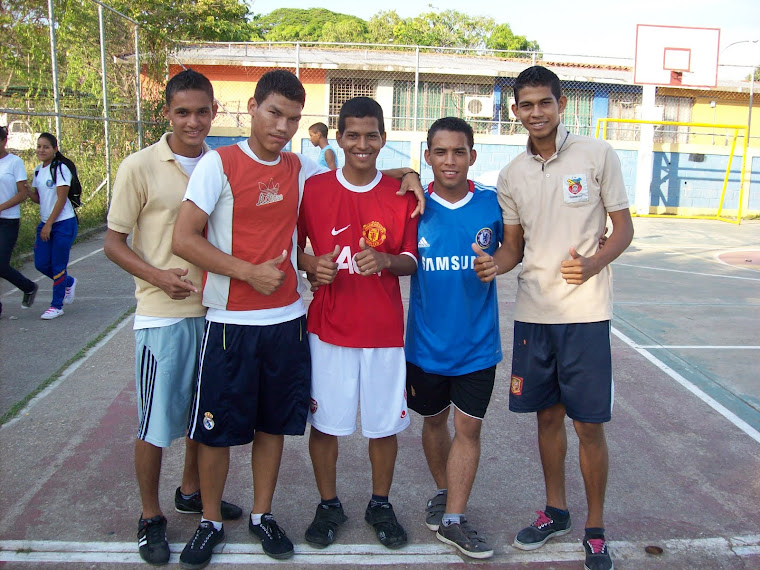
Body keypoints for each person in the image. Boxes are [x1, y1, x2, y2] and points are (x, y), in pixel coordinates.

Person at [172, 69, 424, 569]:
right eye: (273, 114)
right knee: (216, 429)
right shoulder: (217, 165)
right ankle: (210, 522)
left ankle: (263, 515)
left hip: (287, 320)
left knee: (272, 428)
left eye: (291, 118)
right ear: (252, 107)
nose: (281, 126)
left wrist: (408, 175)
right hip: (229, 321)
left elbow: (362, 171)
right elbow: (184, 239)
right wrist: (248, 272)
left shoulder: (300, 169)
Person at [473, 65, 634, 570]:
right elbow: (514, 248)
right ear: (515, 110)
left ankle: (596, 528)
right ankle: (556, 511)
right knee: (547, 418)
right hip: (534, 313)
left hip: (585, 315)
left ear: (561, 104)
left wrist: (593, 263)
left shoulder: (597, 154)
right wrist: (491, 265)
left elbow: (624, 230)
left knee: (588, 424)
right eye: (526, 104)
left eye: (545, 102)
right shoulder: (511, 174)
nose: (536, 112)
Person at [104, 69, 243, 566]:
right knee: (155, 423)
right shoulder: (139, 167)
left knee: (201, 417)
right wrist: (158, 276)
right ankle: (150, 515)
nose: (193, 121)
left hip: (216, 312)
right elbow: (113, 243)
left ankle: (190, 491)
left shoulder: (222, 164)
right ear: (166, 113)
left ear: (214, 112)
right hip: (162, 316)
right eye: (182, 112)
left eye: (202, 111)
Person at [297, 96, 418, 551]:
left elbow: (410, 259)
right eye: (353, 136)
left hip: (384, 331)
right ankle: (328, 504)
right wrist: (312, 264)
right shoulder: (316, 189)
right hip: (328, 329)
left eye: (371, 136)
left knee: (384, 426)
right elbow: (293, 249)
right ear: (339, 138)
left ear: (384, 139)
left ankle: (380, 503)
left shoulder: (401, 195)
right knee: (325, 424)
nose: (362, 144)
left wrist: (387, 259)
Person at [405, 117, 502, 559]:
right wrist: (405, 174)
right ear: (427, 157)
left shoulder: (492, 204)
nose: (449, 160)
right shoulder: (412, 201)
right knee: (433, 422)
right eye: (440, 152)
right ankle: (444, 492)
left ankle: (454, 519)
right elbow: (363, 168)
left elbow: (516, 245)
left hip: (478, 344)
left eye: (458, 151)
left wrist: (499, 262)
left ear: (472, 156)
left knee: (469, 428)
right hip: (425, 345)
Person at [28, 133, 78, 320]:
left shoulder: (61, 168)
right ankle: (68, 282)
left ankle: (56, 306)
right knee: (41, 264)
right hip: (46, 223)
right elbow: (40, 199)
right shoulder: (37, 170)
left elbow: (61, 198)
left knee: (58, 265)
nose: (41, 150)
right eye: (39, 146)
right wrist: (26, 192)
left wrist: (49, 224)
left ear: (55, 149)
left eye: (46, 147)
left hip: (63, 223)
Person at [0, 125, 38, 319]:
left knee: (1, 264)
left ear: (4, 141)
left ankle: (29, 287)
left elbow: (23, 193)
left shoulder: (14, 162)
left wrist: (1, 207)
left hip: (8, 221)